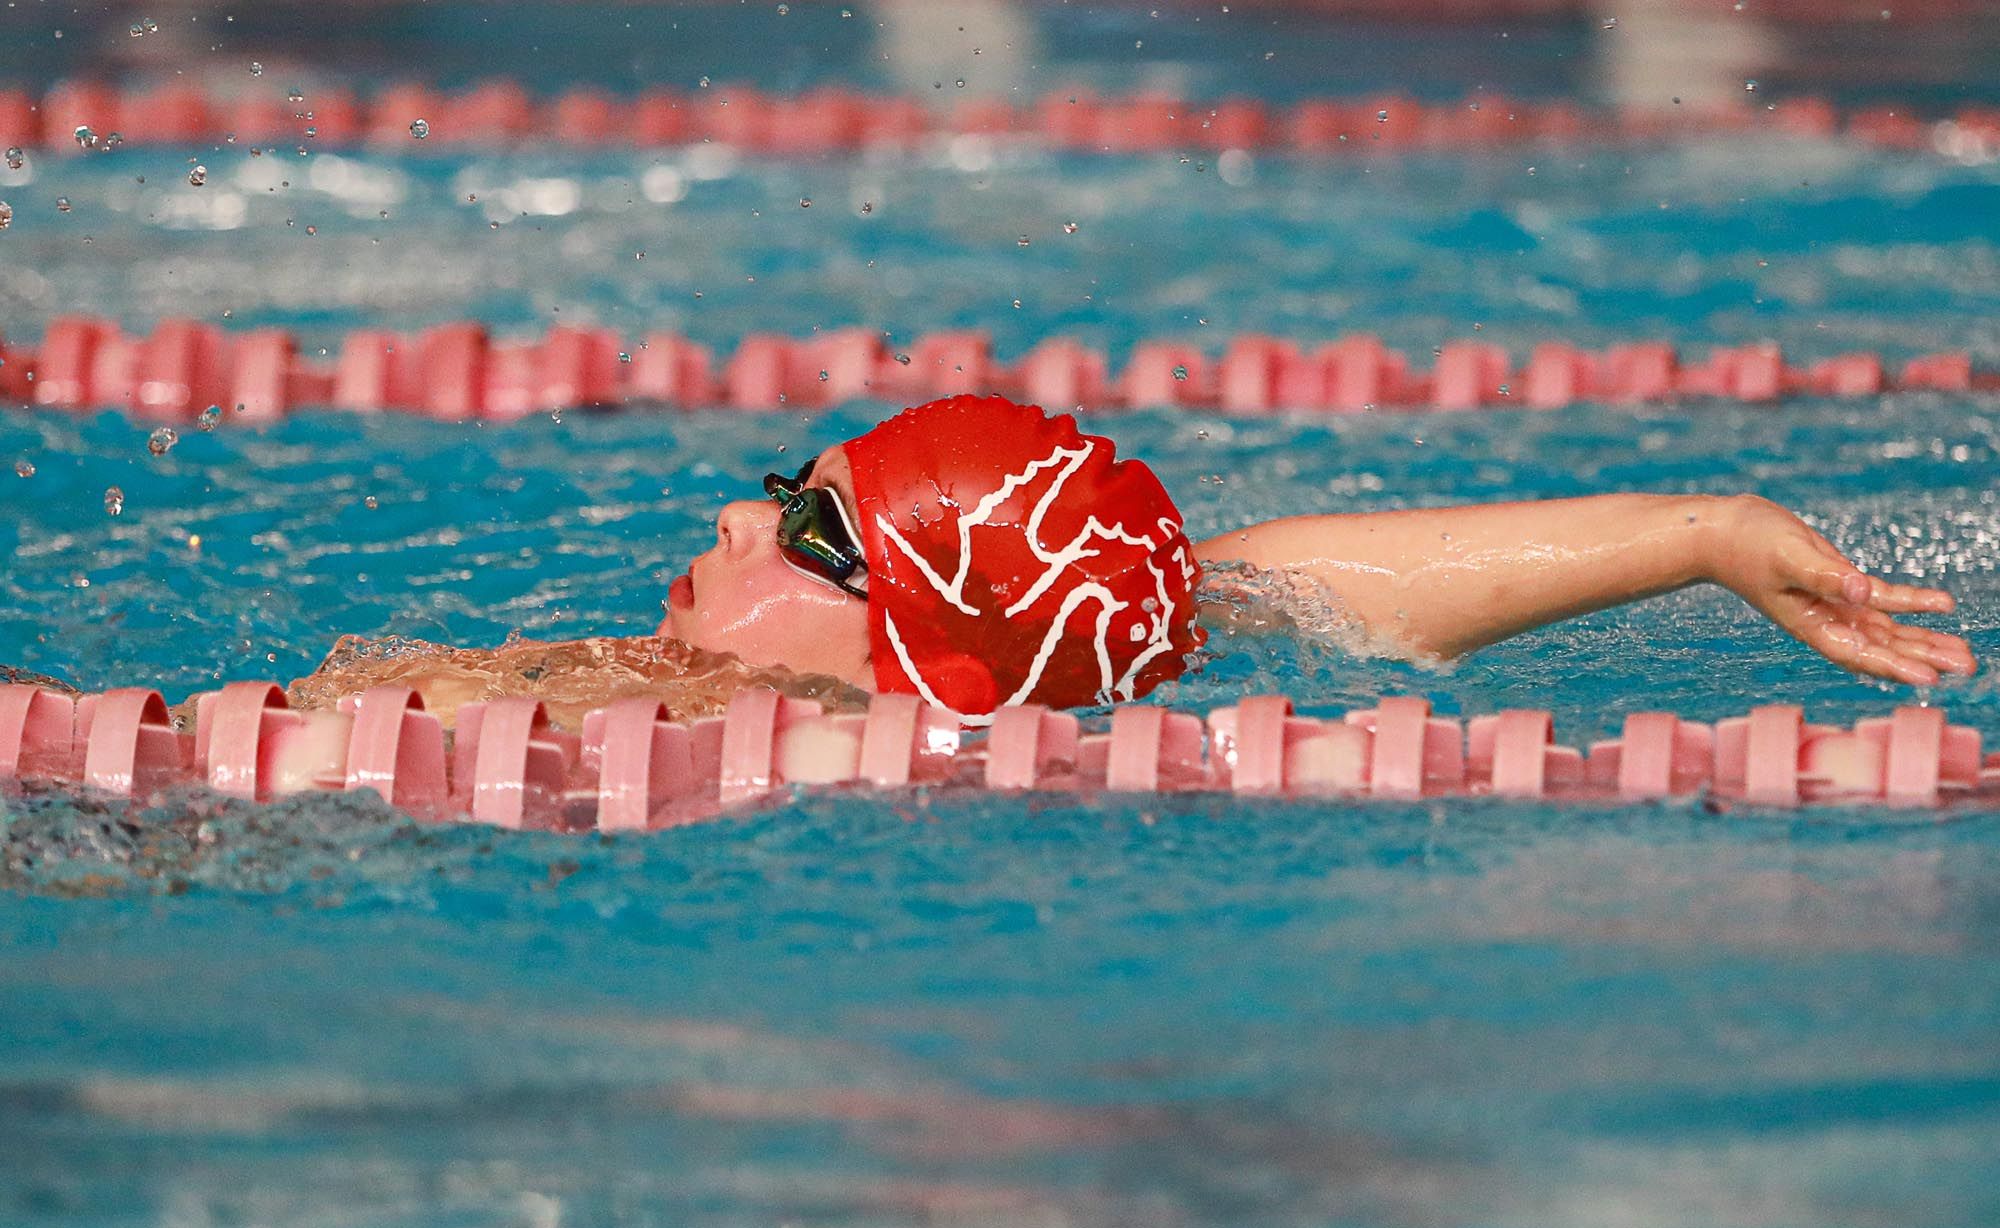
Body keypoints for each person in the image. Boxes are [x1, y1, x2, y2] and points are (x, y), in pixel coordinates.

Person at [297, 394, 1975, 728]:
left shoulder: (639, 720)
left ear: (922, 656)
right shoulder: (1051, 665)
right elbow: (1264, 585)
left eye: (815, 531)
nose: (739, 521)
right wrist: (1702, 534)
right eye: (775, 493)